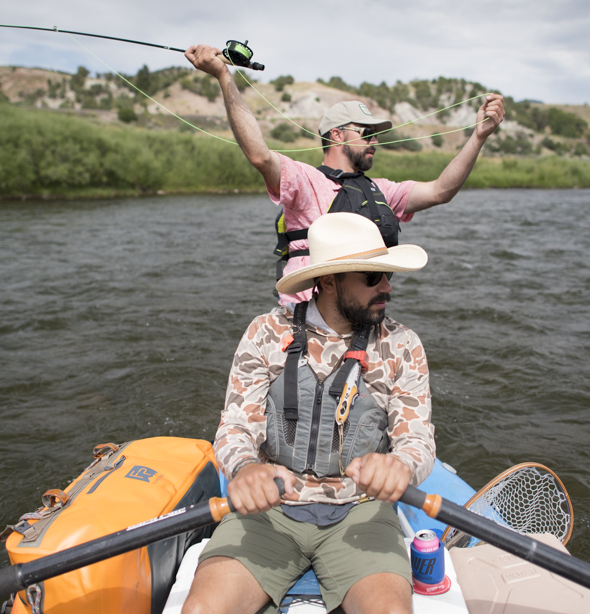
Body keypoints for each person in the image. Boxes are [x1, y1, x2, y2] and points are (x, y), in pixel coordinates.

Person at [182, 212, 435, 614]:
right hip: (272, 511)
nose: (387, 286)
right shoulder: (264, 332)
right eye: (372, 277)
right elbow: (234, 427)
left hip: (361, 510)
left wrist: (401, 466)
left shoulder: (403, 344)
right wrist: (246, 470)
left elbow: (417, 439)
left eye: (388, 275)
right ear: (329, 281)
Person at [185, 43, 505, 306]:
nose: (374, 141)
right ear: (337, 136)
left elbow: (440, 191)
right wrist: (224, 77)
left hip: (361, 317)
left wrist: (478, 137)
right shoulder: (305, 181)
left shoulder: (382, 190)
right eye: (367, 133)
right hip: (305, 319)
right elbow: (258, 154)